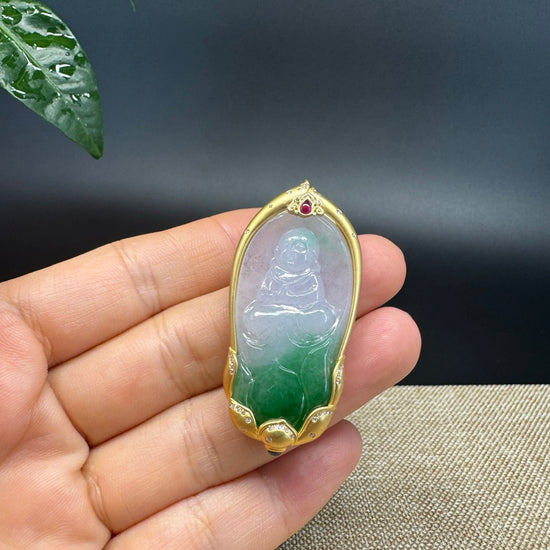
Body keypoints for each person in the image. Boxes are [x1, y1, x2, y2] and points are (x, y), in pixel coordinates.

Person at [0, 208, 420, 549]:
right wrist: (277, 320)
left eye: (302, 251)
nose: (295, 257)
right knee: (261, 322)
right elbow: (253, 318)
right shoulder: (271, 280)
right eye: (288, 249)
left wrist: (303, 322)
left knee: (316, 326)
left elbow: (326, 320)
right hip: (266, 355)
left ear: (311, 258)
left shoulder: (313, 285)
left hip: (303, 357)